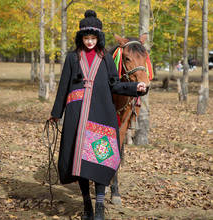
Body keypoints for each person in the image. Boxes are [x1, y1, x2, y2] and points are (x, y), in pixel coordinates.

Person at [50, 9, 148, 220]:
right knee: (81, 161)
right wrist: (56, 113)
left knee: (100, 158)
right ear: (81, 38)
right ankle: (87, 205)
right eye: (86, 37)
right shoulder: (71, 58)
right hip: (77, 114)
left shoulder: (106, 59)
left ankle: (100, 206)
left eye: (93, 37)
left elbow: (115, 84)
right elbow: (64, 86)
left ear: (99, 38)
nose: (90, 41)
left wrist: (135, 88)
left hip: (101, 113)